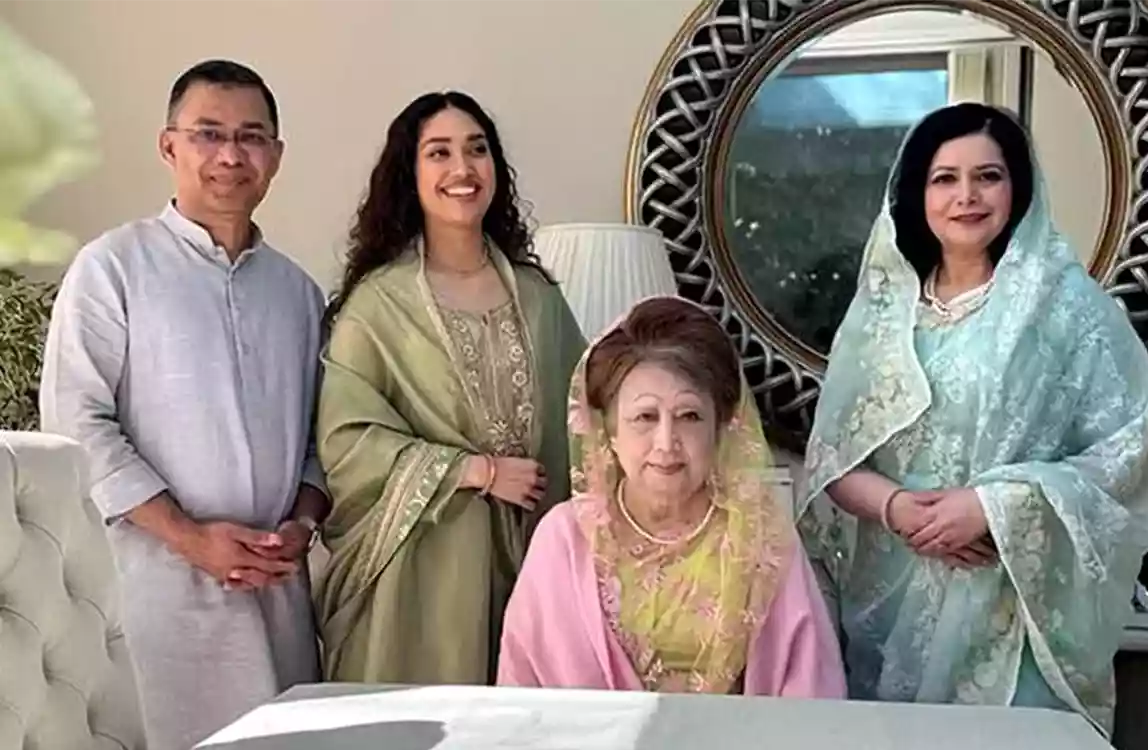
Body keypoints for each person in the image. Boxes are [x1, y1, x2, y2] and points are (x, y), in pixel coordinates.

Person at [798, 102, 1148, 736]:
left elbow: (1121, 452)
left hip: (1015, 606)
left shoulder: (1066, 308)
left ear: (1018, 188)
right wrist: (898, 509)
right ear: (918, 193)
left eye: (988, 176)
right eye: (945, 178)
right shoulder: (882, 313)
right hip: (896, 597)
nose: (966, 196)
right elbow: (834, 459)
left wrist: (995, 507)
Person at [39, 59, 327, 750]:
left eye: (251, 136)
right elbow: (77, 420)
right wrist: (189, 537)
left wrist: (302, 523)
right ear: (169, 146)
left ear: (276, 155)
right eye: (208, 134)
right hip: (155, 596)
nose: (230, 155)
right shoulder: (113, 267)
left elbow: (322, 440)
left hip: (276, 594)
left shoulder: (298, 293)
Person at [314, 90, 587, 685]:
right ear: (409, 175)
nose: (462, 168)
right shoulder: (379, 305)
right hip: (424, 584)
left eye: (476, 149)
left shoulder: (539, 299)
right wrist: (475, 472)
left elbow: (589, 418)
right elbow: (346, 442)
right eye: (438, 152)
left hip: (535, 564)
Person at [497, 296, 847, 697]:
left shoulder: (762, 538)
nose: (666, 443)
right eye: (645, 417)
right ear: (610, 432)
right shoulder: (565, 538)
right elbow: (521, 697)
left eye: (689, 416)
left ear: (721, 428)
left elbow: (809, 692)